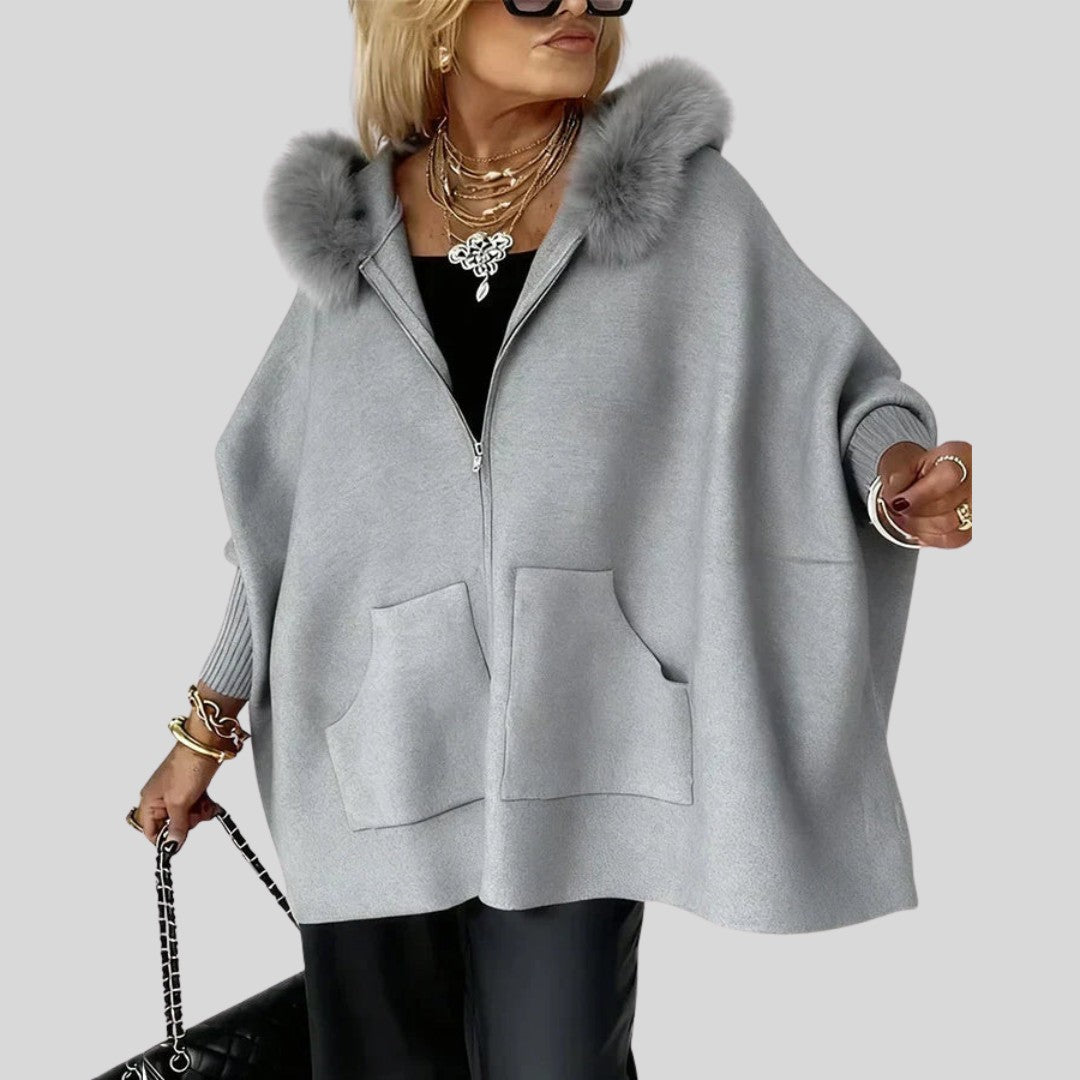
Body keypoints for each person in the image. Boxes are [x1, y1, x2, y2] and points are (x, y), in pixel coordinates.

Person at [129, 1, 973, 1077]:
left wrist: (899, 476)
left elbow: (841, 392)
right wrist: (204, 726)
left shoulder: (681, 206)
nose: (577, 6)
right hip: (369, 752)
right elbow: (284, 515)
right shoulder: (354, 239)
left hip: (582, 740)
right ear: (434, 19)